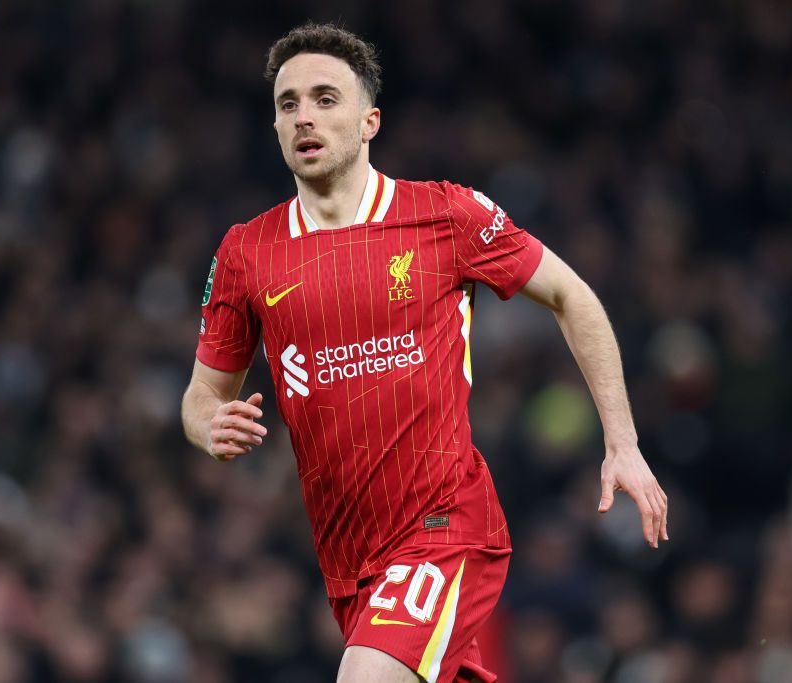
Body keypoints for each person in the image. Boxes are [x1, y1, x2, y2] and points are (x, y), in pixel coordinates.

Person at [181, 22, 668, 683]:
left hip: (446, 526)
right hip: (350, 562)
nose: (304, 116)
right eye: (288, 102)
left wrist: (623, 441)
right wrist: (209, 426)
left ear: (369, 120)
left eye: (326, 98)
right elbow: (203, 394)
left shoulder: (445, 215)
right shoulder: (247, 251)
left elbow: (571, 296)